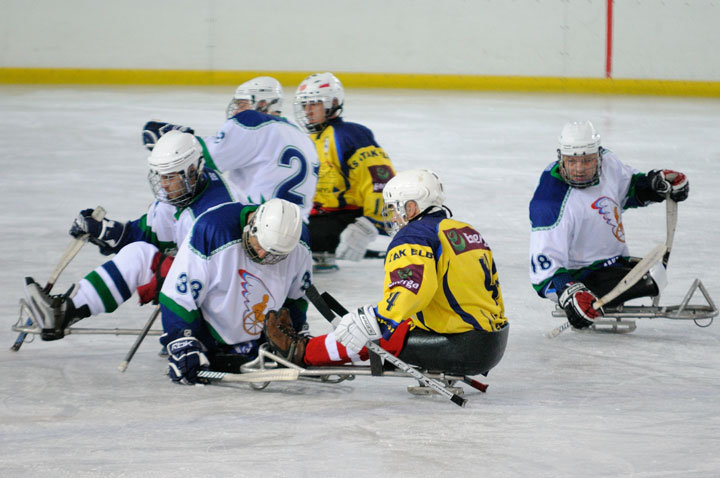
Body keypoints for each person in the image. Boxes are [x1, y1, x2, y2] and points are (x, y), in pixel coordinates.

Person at [262, 169, 509, 378]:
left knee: (371, 331)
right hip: (491, 340)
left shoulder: (414, 235)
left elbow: (411, 290)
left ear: (411, 207)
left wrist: (378, 320)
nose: (392, 216)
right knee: (390, 324)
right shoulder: (463, 230)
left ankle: (301, 352)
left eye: (395, 208)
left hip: (460, 345)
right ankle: (314, 347)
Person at [24, 131, 242, 341]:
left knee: (141, 258)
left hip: (227, 304)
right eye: (161, 176)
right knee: (141, 252)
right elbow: (148, 234)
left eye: (169, 177)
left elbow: (224, 276)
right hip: (204, 283)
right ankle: (64, 310)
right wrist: (105, 231)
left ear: (193, 170)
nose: (163, 185)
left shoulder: (215, 213)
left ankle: (64, 312)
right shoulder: (182, 193)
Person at [529, 120, 689, 329]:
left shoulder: (609, 163)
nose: (579, 169)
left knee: (657, 269)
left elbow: (630, 189)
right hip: (582, 276)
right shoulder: (549, 203)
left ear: (598, 156)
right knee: (654, 278)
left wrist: (656, 185)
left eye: (587, 161)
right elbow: (544, 270)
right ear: (561, 157)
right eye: (572, 161)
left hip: (613, 263)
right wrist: (570, 293)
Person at [157, 198, 313, 384]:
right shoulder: (212, 227)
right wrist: (181, 342)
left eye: (275, 254)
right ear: (253, 225)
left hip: (261, 347)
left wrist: (298, 330)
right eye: (261, 245)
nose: (263, 256)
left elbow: (296, 297)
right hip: (208, 343)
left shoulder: (298, 241)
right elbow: (179, 295)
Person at [142, 76, 318, 221]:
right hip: (298, 231)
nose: (236, 112)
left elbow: (203, 158)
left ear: (263, 104)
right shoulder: (301, 135)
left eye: (242, 104)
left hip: (256, 226)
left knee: (187, 184)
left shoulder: (253, 122)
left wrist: (173, 139)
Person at [294, 72, 396, 271]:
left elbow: (380, 179)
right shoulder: (312, 137)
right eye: (305, 105)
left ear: (332, 103)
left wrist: (367, 226)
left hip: (346, 218)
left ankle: (322, 247)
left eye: (313, 104)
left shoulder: (349, 135)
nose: (307, 111)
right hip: (321, 215)